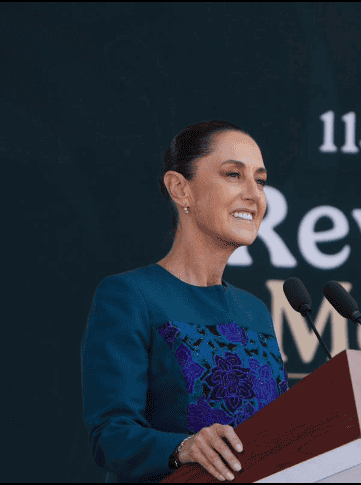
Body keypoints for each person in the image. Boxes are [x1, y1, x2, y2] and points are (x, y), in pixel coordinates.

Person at [81, 121, 289, 482]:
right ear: (181, 189)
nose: (254, 195)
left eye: (261, 180)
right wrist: (184, 448)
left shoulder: (254, 310)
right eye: (233, 175)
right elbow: (109, 436)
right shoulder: (129, 296)